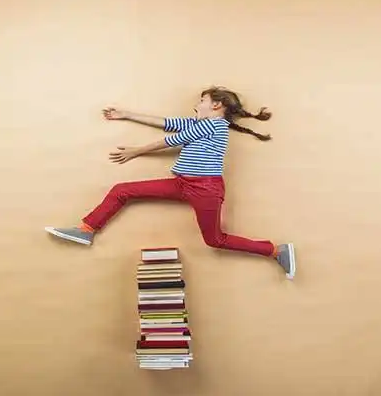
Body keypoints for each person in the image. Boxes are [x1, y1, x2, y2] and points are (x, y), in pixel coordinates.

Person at [45, 86, 295, 279]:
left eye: (202, 101)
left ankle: (275, 251)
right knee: (122, 190)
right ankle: (86, 231)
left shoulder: (215, 125)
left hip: (205, 189)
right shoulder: (201, 123)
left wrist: (137, 151)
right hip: (183, 184)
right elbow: (167, 123)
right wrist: (126, 115)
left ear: (216, 105)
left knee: (214, 240)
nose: (197, 105)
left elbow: (172, 140)